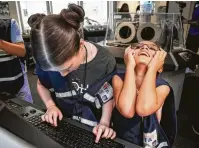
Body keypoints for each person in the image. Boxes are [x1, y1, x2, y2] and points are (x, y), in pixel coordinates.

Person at [29, 4, 116, 143]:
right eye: (55, 71)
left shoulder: (105, 61)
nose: (62, 74)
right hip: (65, 128)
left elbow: (108, 95)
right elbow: (41, 84)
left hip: (96, 131)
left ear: (80, 46)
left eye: (68, 68)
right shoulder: (46, 61)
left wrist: (104, 123)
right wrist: (51, 106)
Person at [112, 41, 177, 147]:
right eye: (138, 47)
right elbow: (127, 110)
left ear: (159, 66)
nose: (145, 47)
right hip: (120, 139)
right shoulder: (118, 79)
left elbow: (143, 109)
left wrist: (152, 68)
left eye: (152, 48)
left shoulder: (162, 87)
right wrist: (129, 66)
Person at [0, 18, 33, 103]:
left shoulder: (10, 24)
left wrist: (1, 43)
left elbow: (22, 51)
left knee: (25, 110)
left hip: (16, 81)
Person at [185, 5, 199, 72]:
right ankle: (190, 66)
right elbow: (194, 20)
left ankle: (191, 68)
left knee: (192, 51)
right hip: (191, 32)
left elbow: (197, 22)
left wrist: (187, 21)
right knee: (189, 49)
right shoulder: (196, 6)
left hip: (196, 34)